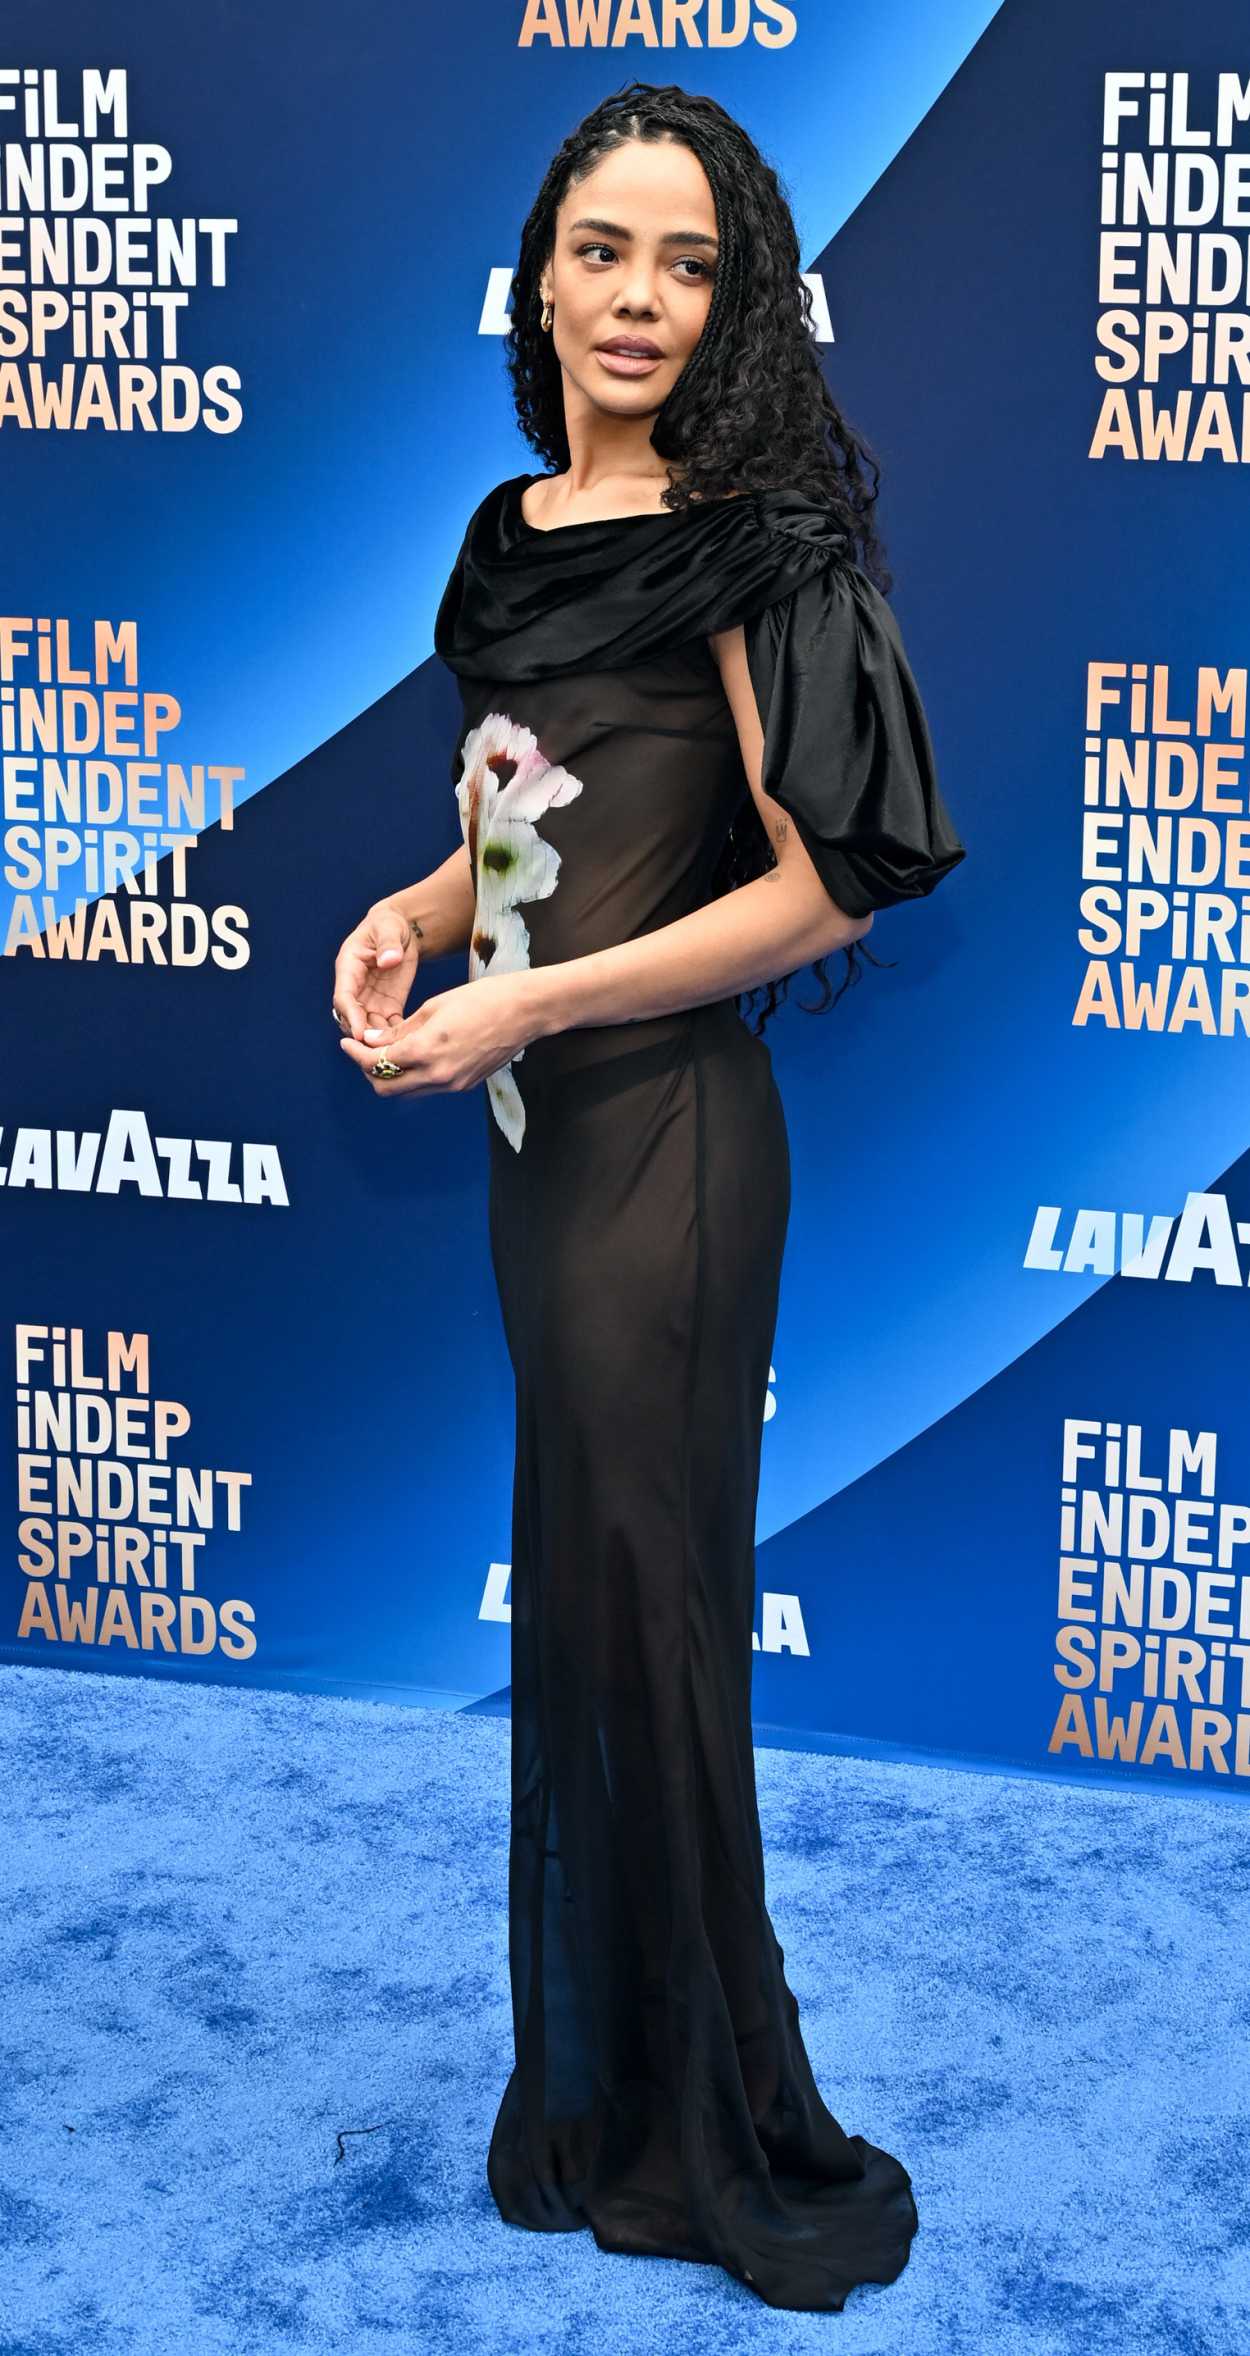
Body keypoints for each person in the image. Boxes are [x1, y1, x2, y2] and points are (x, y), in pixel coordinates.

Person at [332, 80, 965, 2315]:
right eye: (602, 249)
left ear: (737, 300)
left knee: (661, 1618)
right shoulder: (508, 530)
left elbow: (822, 887)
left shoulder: (762, 544)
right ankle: (603, 2100)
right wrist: (421, 917)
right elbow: (521, 817)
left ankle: (717, 2133)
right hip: (544, 1154)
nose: (637, 296)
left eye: (687, 263)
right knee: (594, 1616)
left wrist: (533, 1000)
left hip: (670, 1150)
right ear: (538, 276)